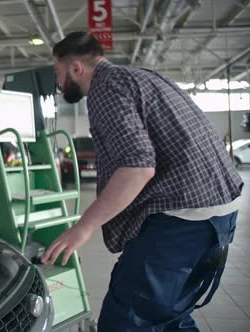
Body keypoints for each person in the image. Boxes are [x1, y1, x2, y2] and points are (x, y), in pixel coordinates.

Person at [40, 31, 243, 331]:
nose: (57, 83)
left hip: (183, 220)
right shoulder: (143, 77)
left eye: (58, 72)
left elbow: (137, 168)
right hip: (219, 214)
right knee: (168, 318)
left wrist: (83, 227)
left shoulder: (105, 89)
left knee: (124, 322)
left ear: (76, 68)